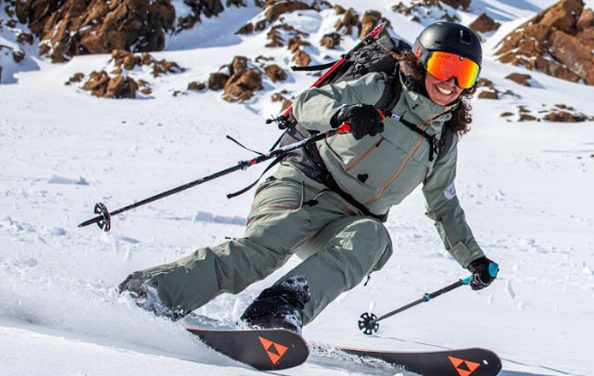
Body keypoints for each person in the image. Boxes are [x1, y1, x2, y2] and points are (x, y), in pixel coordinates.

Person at [118, 22, 497, 332]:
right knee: (260, 253)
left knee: (373, 238)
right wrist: (343, 113)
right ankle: (151, 291)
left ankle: (277, 313)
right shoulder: (383, 88)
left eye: (464, 73)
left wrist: (474, 260)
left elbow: (444, 206)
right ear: (422, 61)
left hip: (348, 220)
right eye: (445, 66)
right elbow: (307, 104)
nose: (451, 82)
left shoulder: (442, 139)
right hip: (304, 184)